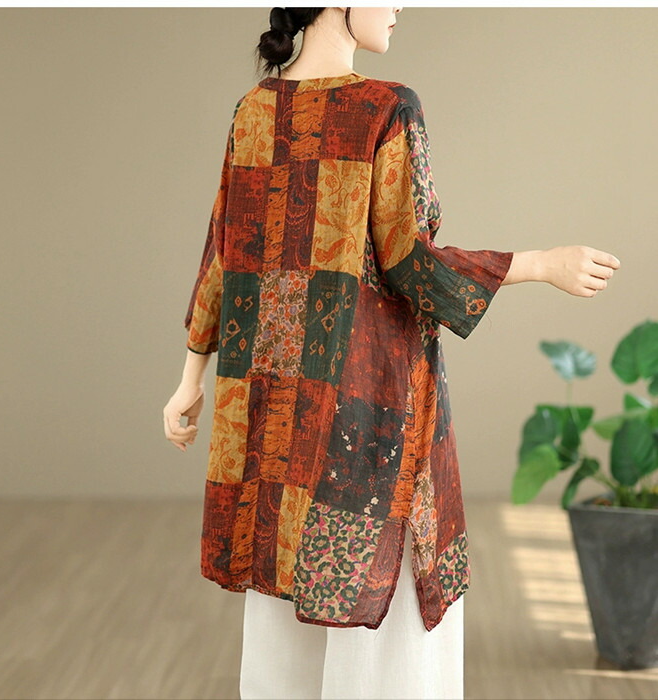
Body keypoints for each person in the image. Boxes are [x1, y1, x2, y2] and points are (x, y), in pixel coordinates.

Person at [163, 7, 620, 699]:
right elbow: (410, 259)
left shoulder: (253, 109)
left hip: (268, 417)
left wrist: (188, 378)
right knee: (384, 613)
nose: (401, 5)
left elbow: (223, 253)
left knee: (284, 598)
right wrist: (538, 264)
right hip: (363, 408)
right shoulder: (386, 108)